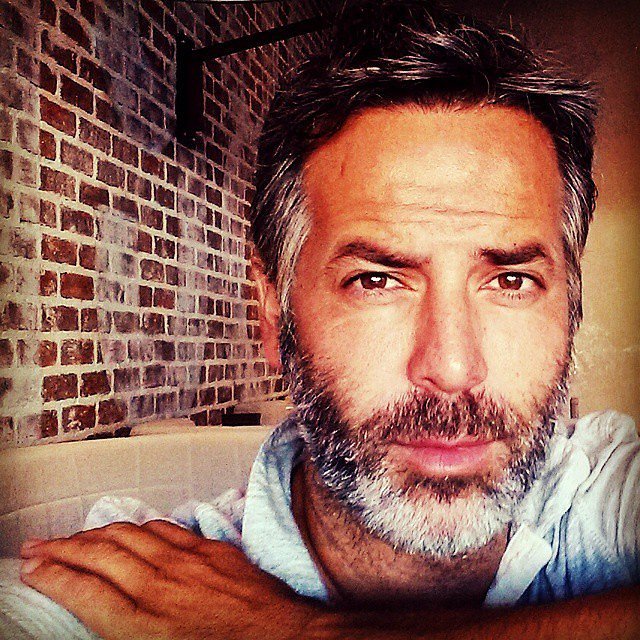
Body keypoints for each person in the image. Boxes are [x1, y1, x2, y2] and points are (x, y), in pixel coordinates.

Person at [6, 0, 640, 638]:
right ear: (273, 309)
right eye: (376, 280)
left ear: (571, 305)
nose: (452, 368)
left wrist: (299, 631)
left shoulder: (608, 500)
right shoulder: (134, 593)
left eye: (511, 280)